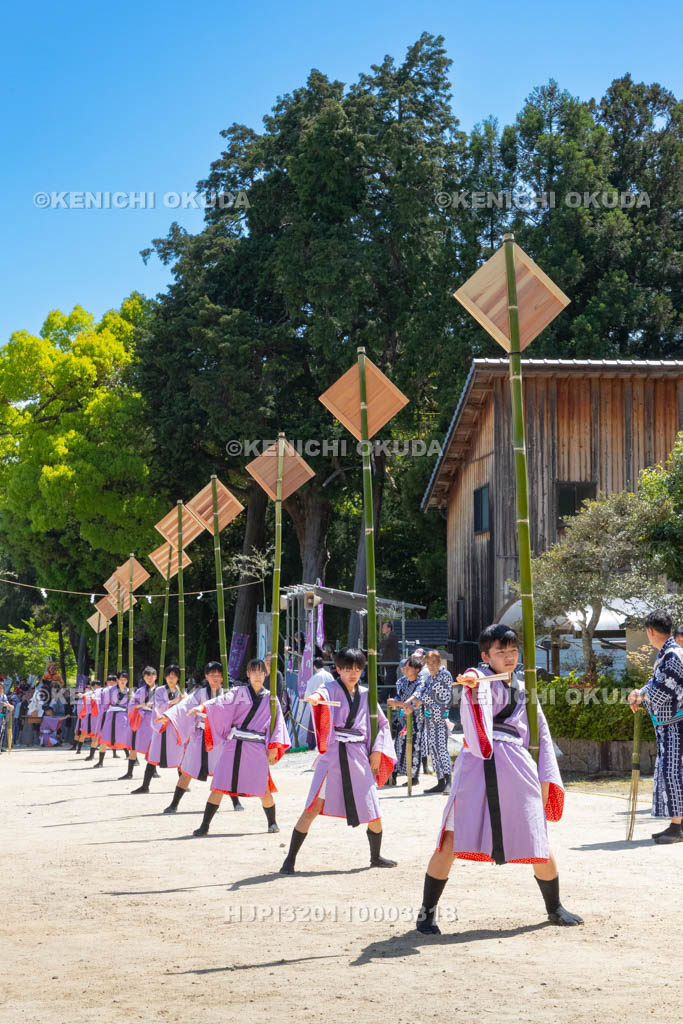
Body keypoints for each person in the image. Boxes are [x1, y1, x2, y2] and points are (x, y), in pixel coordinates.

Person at [415, 624, 583, 934]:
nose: (508, 657)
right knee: (450, 838)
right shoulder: (478, 679)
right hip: (476, 764)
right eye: (500, 652)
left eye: (513, 651)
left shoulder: (524, 686)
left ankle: (555, 907)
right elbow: (474, 678)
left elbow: (541, 735)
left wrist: (545, 780)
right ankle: (426, 914)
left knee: (537, 834)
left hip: (516, 765)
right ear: (485, 656)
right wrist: (471, 681)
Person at [280, 647, 397, 873]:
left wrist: (377, 750)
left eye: (357, 669)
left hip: (359, 755)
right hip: (333, 754)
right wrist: (315, 698)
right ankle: (290, 859)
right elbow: (320, 695)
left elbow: (382, 725)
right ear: (338, 669)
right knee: (313, 805)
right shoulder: (331, 689)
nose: (353, 673)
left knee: (372, 806)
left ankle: (376, 856)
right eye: (347, 668)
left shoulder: (366, 694)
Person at [188, 658, 289, 837]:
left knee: (262, 787)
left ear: (266, 674)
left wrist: (273, 746)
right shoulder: (238, 692)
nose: (258, 676)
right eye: (254, 672)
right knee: (219, 784)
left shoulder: (271, 698)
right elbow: (220, 703)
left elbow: (278, 724)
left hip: (257, 747)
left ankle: (272, 822)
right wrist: (203, 707)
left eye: (261, 672)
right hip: (234, 745)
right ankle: (205, 825)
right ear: (248, 674)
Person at [628, 610, 683, 845]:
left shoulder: (674, 655)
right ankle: (675, 823)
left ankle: (678, 827)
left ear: (650, 631)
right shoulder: (667, 654)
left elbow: (662, 692)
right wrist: (639, 692)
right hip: (667, 725)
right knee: (668, 772)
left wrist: (642, 697)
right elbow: (654, 684)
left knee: (674, 773)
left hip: (676, 725)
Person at [160, 661, 243, 814]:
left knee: (224, 770)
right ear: (206, 676)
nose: (216, 678)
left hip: (219, 737)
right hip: (200, 735)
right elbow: (183, 706)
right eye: (212, 675)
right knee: (187, 770)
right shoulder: (199, 694)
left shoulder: (228, 693)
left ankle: (236, 801)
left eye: (218, 675)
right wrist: (168, 715)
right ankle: (174, 804)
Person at [405, 651, 453, 794]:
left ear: (439, 662)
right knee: (433, 748)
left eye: (434, 663)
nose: (431, 666)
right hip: (429, 717)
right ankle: (440, 781)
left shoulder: (444, 675)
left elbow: (431, 694)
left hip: (440, 717)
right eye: (429, 663)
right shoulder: (429, 677)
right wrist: (409, 701)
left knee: (441, 748)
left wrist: (415, 704)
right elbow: (421, 690)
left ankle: (449, 780)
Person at [131, 665, 184, 794]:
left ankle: (182, 785)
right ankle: (145, 785)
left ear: (178, 678)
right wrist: (176, 701)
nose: (171, 679)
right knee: (154, 755)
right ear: (165, 677)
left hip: (175, 727)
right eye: (169, 676)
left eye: (174, 676)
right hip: (161, 726)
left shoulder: (181, 691)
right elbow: (159, 705)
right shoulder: (160, 690)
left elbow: (184, 708)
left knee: (180, 756)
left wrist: (181, 701)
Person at [387, 655, 425, 786]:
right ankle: (394, 774)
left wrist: (404, 703)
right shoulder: (401, 682)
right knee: (398, 745)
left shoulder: (422, 682)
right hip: (402, 718)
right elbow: (398, 696)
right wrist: (396, 702)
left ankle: (413, 777)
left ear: (417, 670)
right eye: (405, 667)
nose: (405, 669)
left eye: (409, 667)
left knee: (414, 747)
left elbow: (417, 696)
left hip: (416, 719)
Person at [119, 667, 157, 780]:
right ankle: (129, 772)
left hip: (153, 719)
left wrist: (153, 705)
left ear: (156, 676)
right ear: (144, 678)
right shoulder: (140, 691)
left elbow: (165, 705)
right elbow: (132, 705)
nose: (149, 678)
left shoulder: (161, 691)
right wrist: (144, 705)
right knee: (134, 745)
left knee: (153, 745)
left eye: (152, 676)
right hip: (140, 719)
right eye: (147, 677)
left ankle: (153, 771)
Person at [94, 672, 131, 765]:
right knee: (105, 737)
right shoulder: (109, 690)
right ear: (117, 680)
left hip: (123, 716)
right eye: (121, 679)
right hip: (110, 715)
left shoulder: (130, 691)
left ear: (127, 681)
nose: (123, 681)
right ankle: (100, 761)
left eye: (125, 680)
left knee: (126, 736)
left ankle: (132, 757)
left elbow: (131, 706)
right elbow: (104, 702)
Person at [301, 658, 334, 750]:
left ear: (314, 667)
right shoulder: (329, 676)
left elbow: (308, 692)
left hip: (316, 704)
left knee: (315, 724)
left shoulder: (314, 678)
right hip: (328, 703)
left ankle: (313, 744)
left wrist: (306, 699)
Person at [379, 621, 401, 689]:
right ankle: (394, 695)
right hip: (390, 662)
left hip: (391, 662)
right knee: (392, 681)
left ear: (389, 628)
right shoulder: (388, 636)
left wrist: (372, 647)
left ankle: (382, 697)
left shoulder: (392, 636)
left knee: (388, 680)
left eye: (384, 627)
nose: (382, 629)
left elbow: (384, 644)